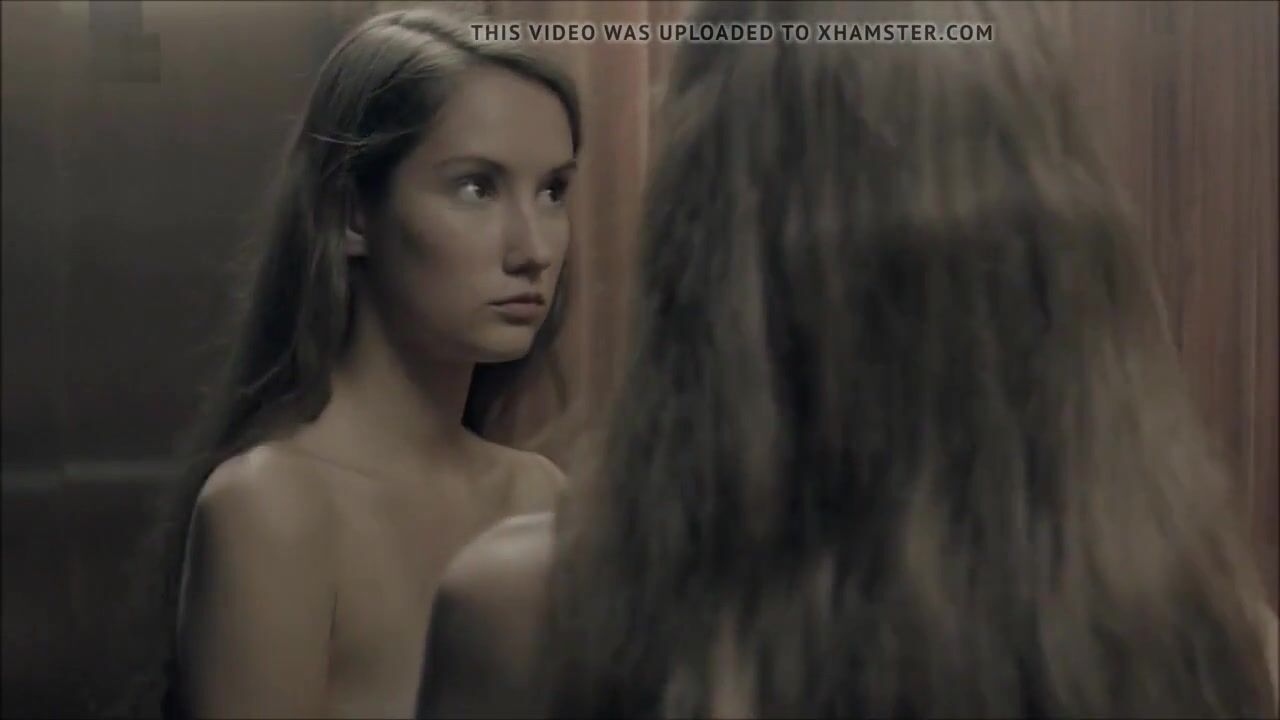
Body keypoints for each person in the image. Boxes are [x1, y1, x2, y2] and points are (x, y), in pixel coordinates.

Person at [414, 1, 1279, 718]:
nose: (532, 247)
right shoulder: (1209, 643)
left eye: (554, 191)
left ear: (704, 224)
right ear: (1051, 240)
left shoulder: (526, 616)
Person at [157, 6, 581, 718]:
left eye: (553, 191)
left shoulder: (542, 497)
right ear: (353, 212)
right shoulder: (274, 507)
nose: (533, 248)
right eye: (476, 187)